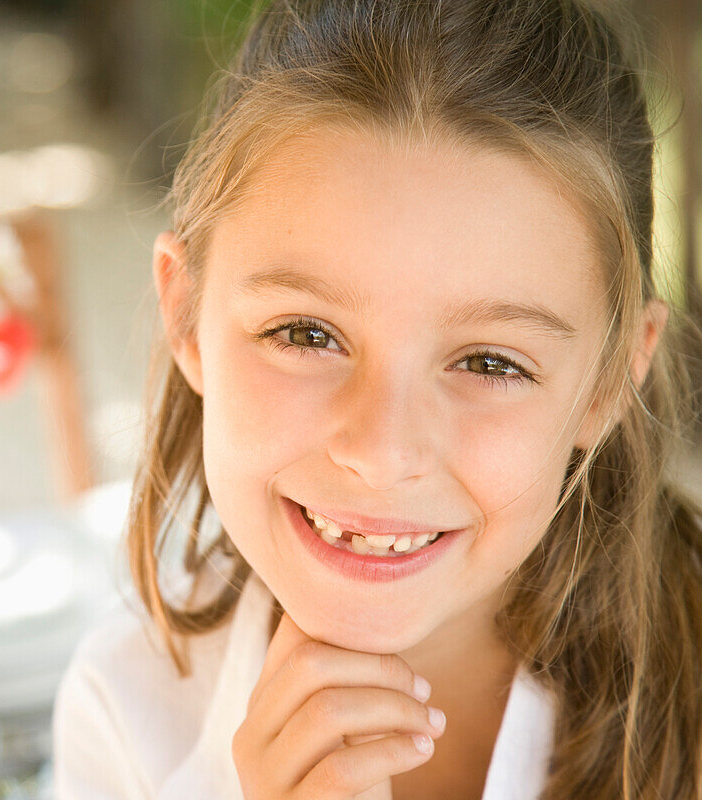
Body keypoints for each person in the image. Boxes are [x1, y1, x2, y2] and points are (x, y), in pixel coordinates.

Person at [52, 1, 702, 798]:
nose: (382, 451)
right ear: (185, 313)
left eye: (490, 362)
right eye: (306, 334)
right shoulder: (129, 712)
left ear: (609, 377)